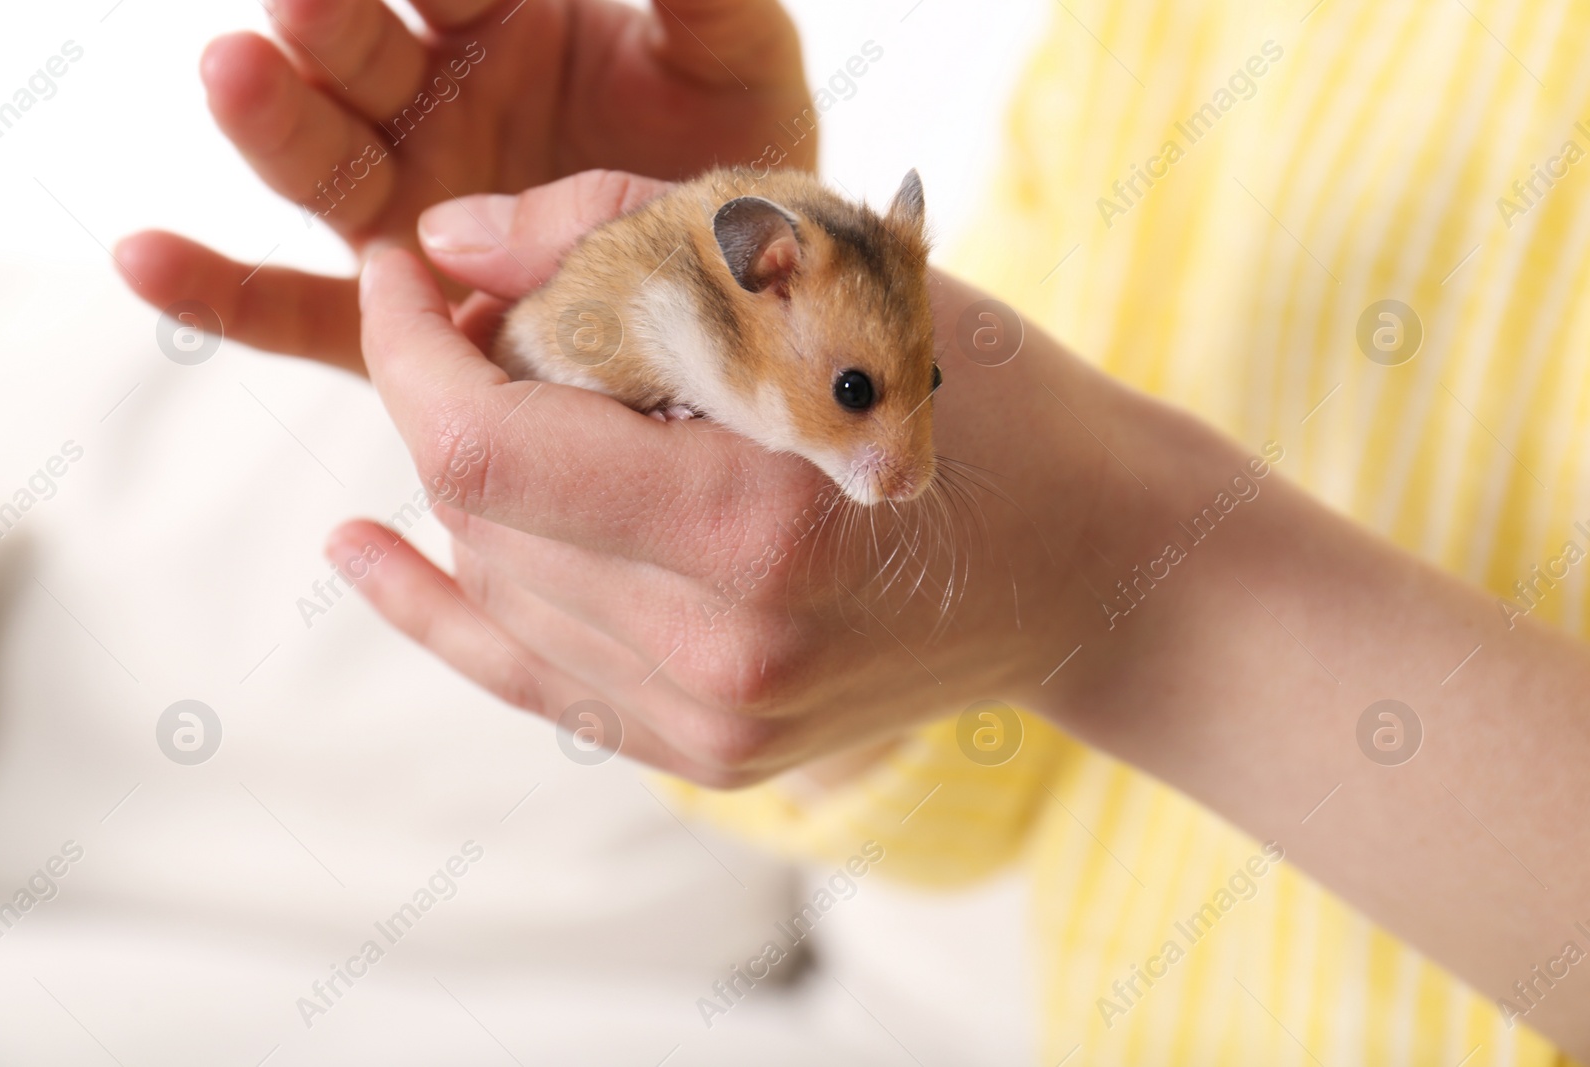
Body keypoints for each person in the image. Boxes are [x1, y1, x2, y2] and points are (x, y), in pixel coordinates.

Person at [116, 0, 1590, 1060]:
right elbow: (973, 792)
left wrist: (1131, 590)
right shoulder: (1152, 39)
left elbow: (1056, 556)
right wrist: (773, 597)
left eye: (913, 394)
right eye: (872, 393)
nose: (906, 464)